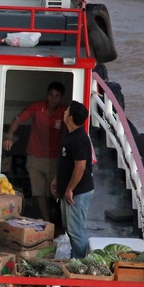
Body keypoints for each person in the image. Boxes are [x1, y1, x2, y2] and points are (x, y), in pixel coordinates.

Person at [2, 82, 67, 221]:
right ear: (47, 94)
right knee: (38, 191)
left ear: (61, 98)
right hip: (35, 156)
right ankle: (46, 220)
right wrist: (9, 136)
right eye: (50, 95)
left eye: (56, 96)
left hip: (55, 157)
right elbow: (17, 120)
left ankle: (59, 220)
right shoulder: (37, 107)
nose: (53, 99)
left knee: (55, 191)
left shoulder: (64, 111)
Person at [51, 101, 94, 259]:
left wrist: (70, 189)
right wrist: (57, 180)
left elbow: (80, 167)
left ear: (70, 117)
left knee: (77, 231)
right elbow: (65, 162)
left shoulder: (78, 139)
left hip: (78, 192)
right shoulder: (69, 134)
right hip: (67, 190)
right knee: (69, 227)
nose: (64, 112)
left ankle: (80, 264)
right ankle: (73, 258)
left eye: (66, 110)